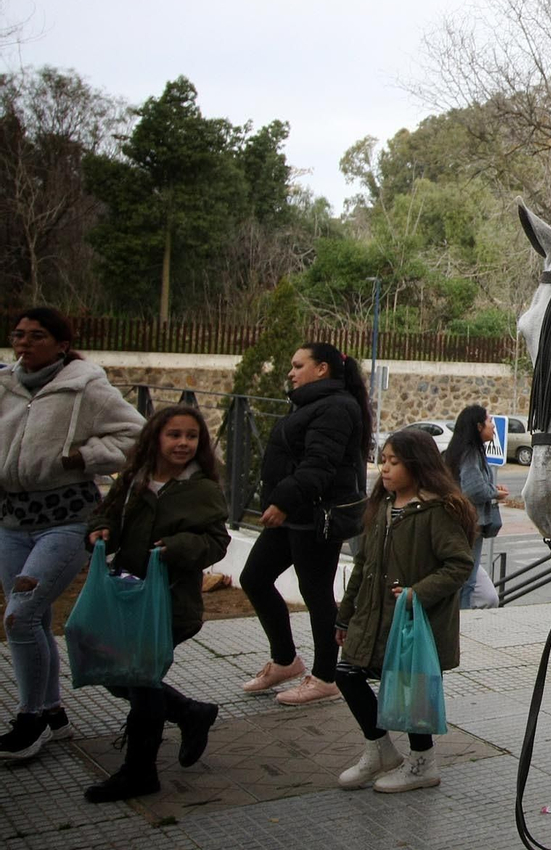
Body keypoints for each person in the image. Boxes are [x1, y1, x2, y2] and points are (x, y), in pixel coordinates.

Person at [0, 307, 143, 760]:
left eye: (37, 336)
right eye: (19, 335)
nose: (24, 343)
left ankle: (32, 717)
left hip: (66, 520)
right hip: (10, 520)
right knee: (34, 619)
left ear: (62, 344)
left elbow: (138, 436)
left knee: (18, 618)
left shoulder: (87, 386)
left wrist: (83, 457)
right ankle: (54, 713)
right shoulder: (4, 384)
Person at [83, 406, 230, 801]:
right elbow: (108, 515)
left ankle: (140, 771)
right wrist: (100, 532)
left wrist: (178, 548)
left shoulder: (203, 489)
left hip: (170, 603)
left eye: (192, 436)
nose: (183, 443)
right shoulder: (134, 479)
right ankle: (188, 712)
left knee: (141, 681)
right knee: (119, 676)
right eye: (174, 435)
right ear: (156, 438)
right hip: (127, 597)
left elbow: (217, 542)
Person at [333, 428, 474, 792]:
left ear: (417, 465)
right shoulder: (382, 508)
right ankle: (379, 749)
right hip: (372, 618)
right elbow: (362, 565)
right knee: (346, 674)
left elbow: (458, 565)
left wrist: (417, 593)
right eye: (383, 461)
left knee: (413, 691)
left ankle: (423, 764)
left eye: (394, 462)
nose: (385, 469)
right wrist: (345, 615)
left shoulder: (436, 511)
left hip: (414, 623)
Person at [240, 342, 371, 706]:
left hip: (314, 518)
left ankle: (326, 677)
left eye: (298, 365)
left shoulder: (336, 407)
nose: (290, 372)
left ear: (322, 369)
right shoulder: (313, 403)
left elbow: (319, 465)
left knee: (316, 595)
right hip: (295, 515)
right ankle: (285, 661)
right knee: (254, 577)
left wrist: (283, 500)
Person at [442, 404, 507, 609]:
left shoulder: (461, 451)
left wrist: (491, 487)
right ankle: (462, 626)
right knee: (467, 581)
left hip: (459, 522)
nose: (493, 427)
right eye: (489, 422)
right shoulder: (471, 453)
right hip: (470, 524)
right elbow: (473, 489)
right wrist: (495, 493)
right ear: (478, 426)